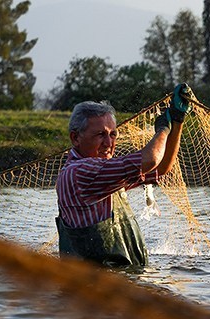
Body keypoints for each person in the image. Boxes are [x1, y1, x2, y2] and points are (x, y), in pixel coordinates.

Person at [55, 83, 193, 268]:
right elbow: (151, 159)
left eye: (113, 134)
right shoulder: (80, 172)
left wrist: (177, 121)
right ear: (75, 138)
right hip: (95, 287)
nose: (108, 143)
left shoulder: (103, 173)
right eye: (100, 135)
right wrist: (163, 130)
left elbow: (161, 168)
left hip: (117, 281)